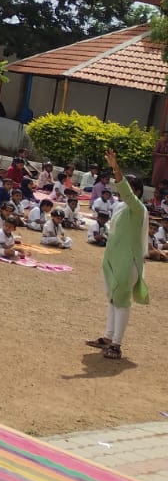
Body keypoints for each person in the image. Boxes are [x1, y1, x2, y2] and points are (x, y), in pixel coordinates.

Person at [90, 147, 149, 361]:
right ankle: (107, 337)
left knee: (121, 301)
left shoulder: (138, 208)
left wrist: (116, 168)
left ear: (137, 192)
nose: (118, 189)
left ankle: (116, 344)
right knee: (113, 299)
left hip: (128, 263)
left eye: (127, 188)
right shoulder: (120, 207)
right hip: (113, 261)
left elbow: (125, 192)